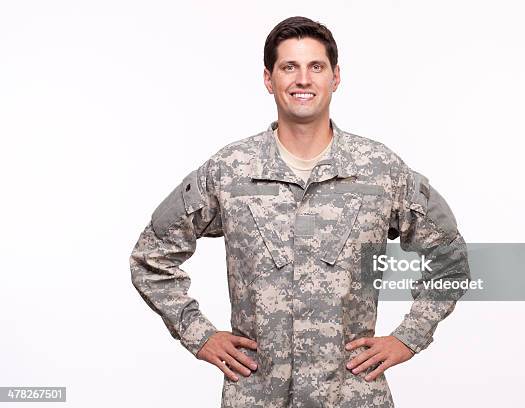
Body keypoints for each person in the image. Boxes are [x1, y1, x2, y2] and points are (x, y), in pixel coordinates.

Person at [129, 16, 471, 408]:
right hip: (257, 396)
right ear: (268, 79)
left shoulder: (380, 170)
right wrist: (199, 334)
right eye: (289, 67)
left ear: (335, 77)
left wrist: (409, 336)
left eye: (316, 67)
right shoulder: (230, 170)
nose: (302, 79)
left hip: (351, 397)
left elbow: (450, 259)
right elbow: (150, 257)